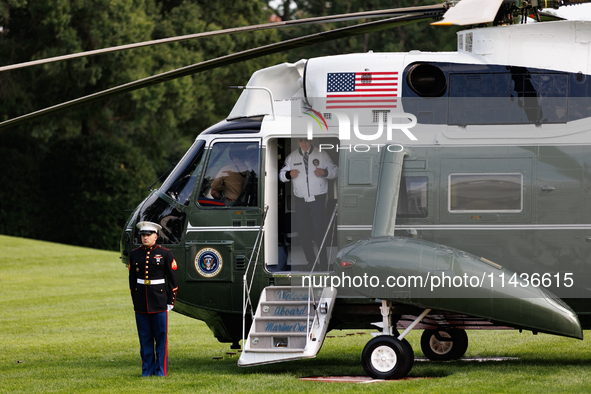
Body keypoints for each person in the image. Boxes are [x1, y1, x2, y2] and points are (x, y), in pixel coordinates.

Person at [279, 138, 338, 270]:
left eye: (306, 141)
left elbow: (335, 171)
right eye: (300, 141)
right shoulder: (292, 157)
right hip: (300, 200)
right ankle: (311, 262)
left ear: (310, 141)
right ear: (298, 142)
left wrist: (325, 172)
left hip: (318, 199)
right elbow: (281, 176)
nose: (303, 144)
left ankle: (323, 263)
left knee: (319, 230)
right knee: (303, 231)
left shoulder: (322, 154)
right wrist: (289, 174)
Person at [129, 221, 178, 377]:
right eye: (143, 235)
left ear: (155, 236)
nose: (145, 237)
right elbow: (132, 280)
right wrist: (135, 299)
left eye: (148, 235)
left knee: (161, 338)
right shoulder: (135, 254)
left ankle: (161, 371)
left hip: (159, 301)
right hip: (141, 302)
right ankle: (147, 371)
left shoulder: (165, 253)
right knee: (145, 339)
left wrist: (171, 301)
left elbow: (173, 280)